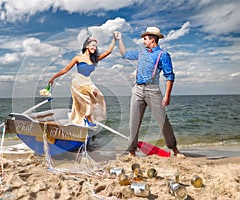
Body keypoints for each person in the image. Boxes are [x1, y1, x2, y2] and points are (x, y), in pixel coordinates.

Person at [114, 27, 184, 157]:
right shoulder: (141, 53)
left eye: (145, 39)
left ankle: (174, 150)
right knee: (134, 122)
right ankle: (132, 152)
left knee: (163, 121)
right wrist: (120, 40)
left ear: (152, 39)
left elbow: (169, 76)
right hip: (137, 90)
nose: (143, 41)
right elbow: (124, 54)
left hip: (153, 90)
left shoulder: (163, 55)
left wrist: (167, 96)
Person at [48, 35, 116, 127]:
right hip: (78, 82)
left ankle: (87, 117)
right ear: (87, 46)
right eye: (92, 45)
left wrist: (114, 39)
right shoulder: (78, 58)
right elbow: (65, 69)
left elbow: (108, 51)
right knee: (89, 99)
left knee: (98, 97)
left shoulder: (94, 59)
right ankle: (88, 117)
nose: (94, 48)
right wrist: (53, 77)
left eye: (95, 46)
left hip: (88, 81)